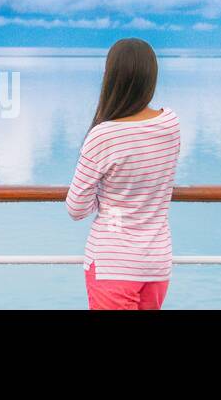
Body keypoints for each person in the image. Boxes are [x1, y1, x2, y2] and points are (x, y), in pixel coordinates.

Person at [65, 38, 180, 310]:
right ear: (151, 78)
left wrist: (106, 198)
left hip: (113, 264)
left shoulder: (104, 135)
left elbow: (76, 208)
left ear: (111, 77)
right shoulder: (170, 123)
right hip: (156, 262)